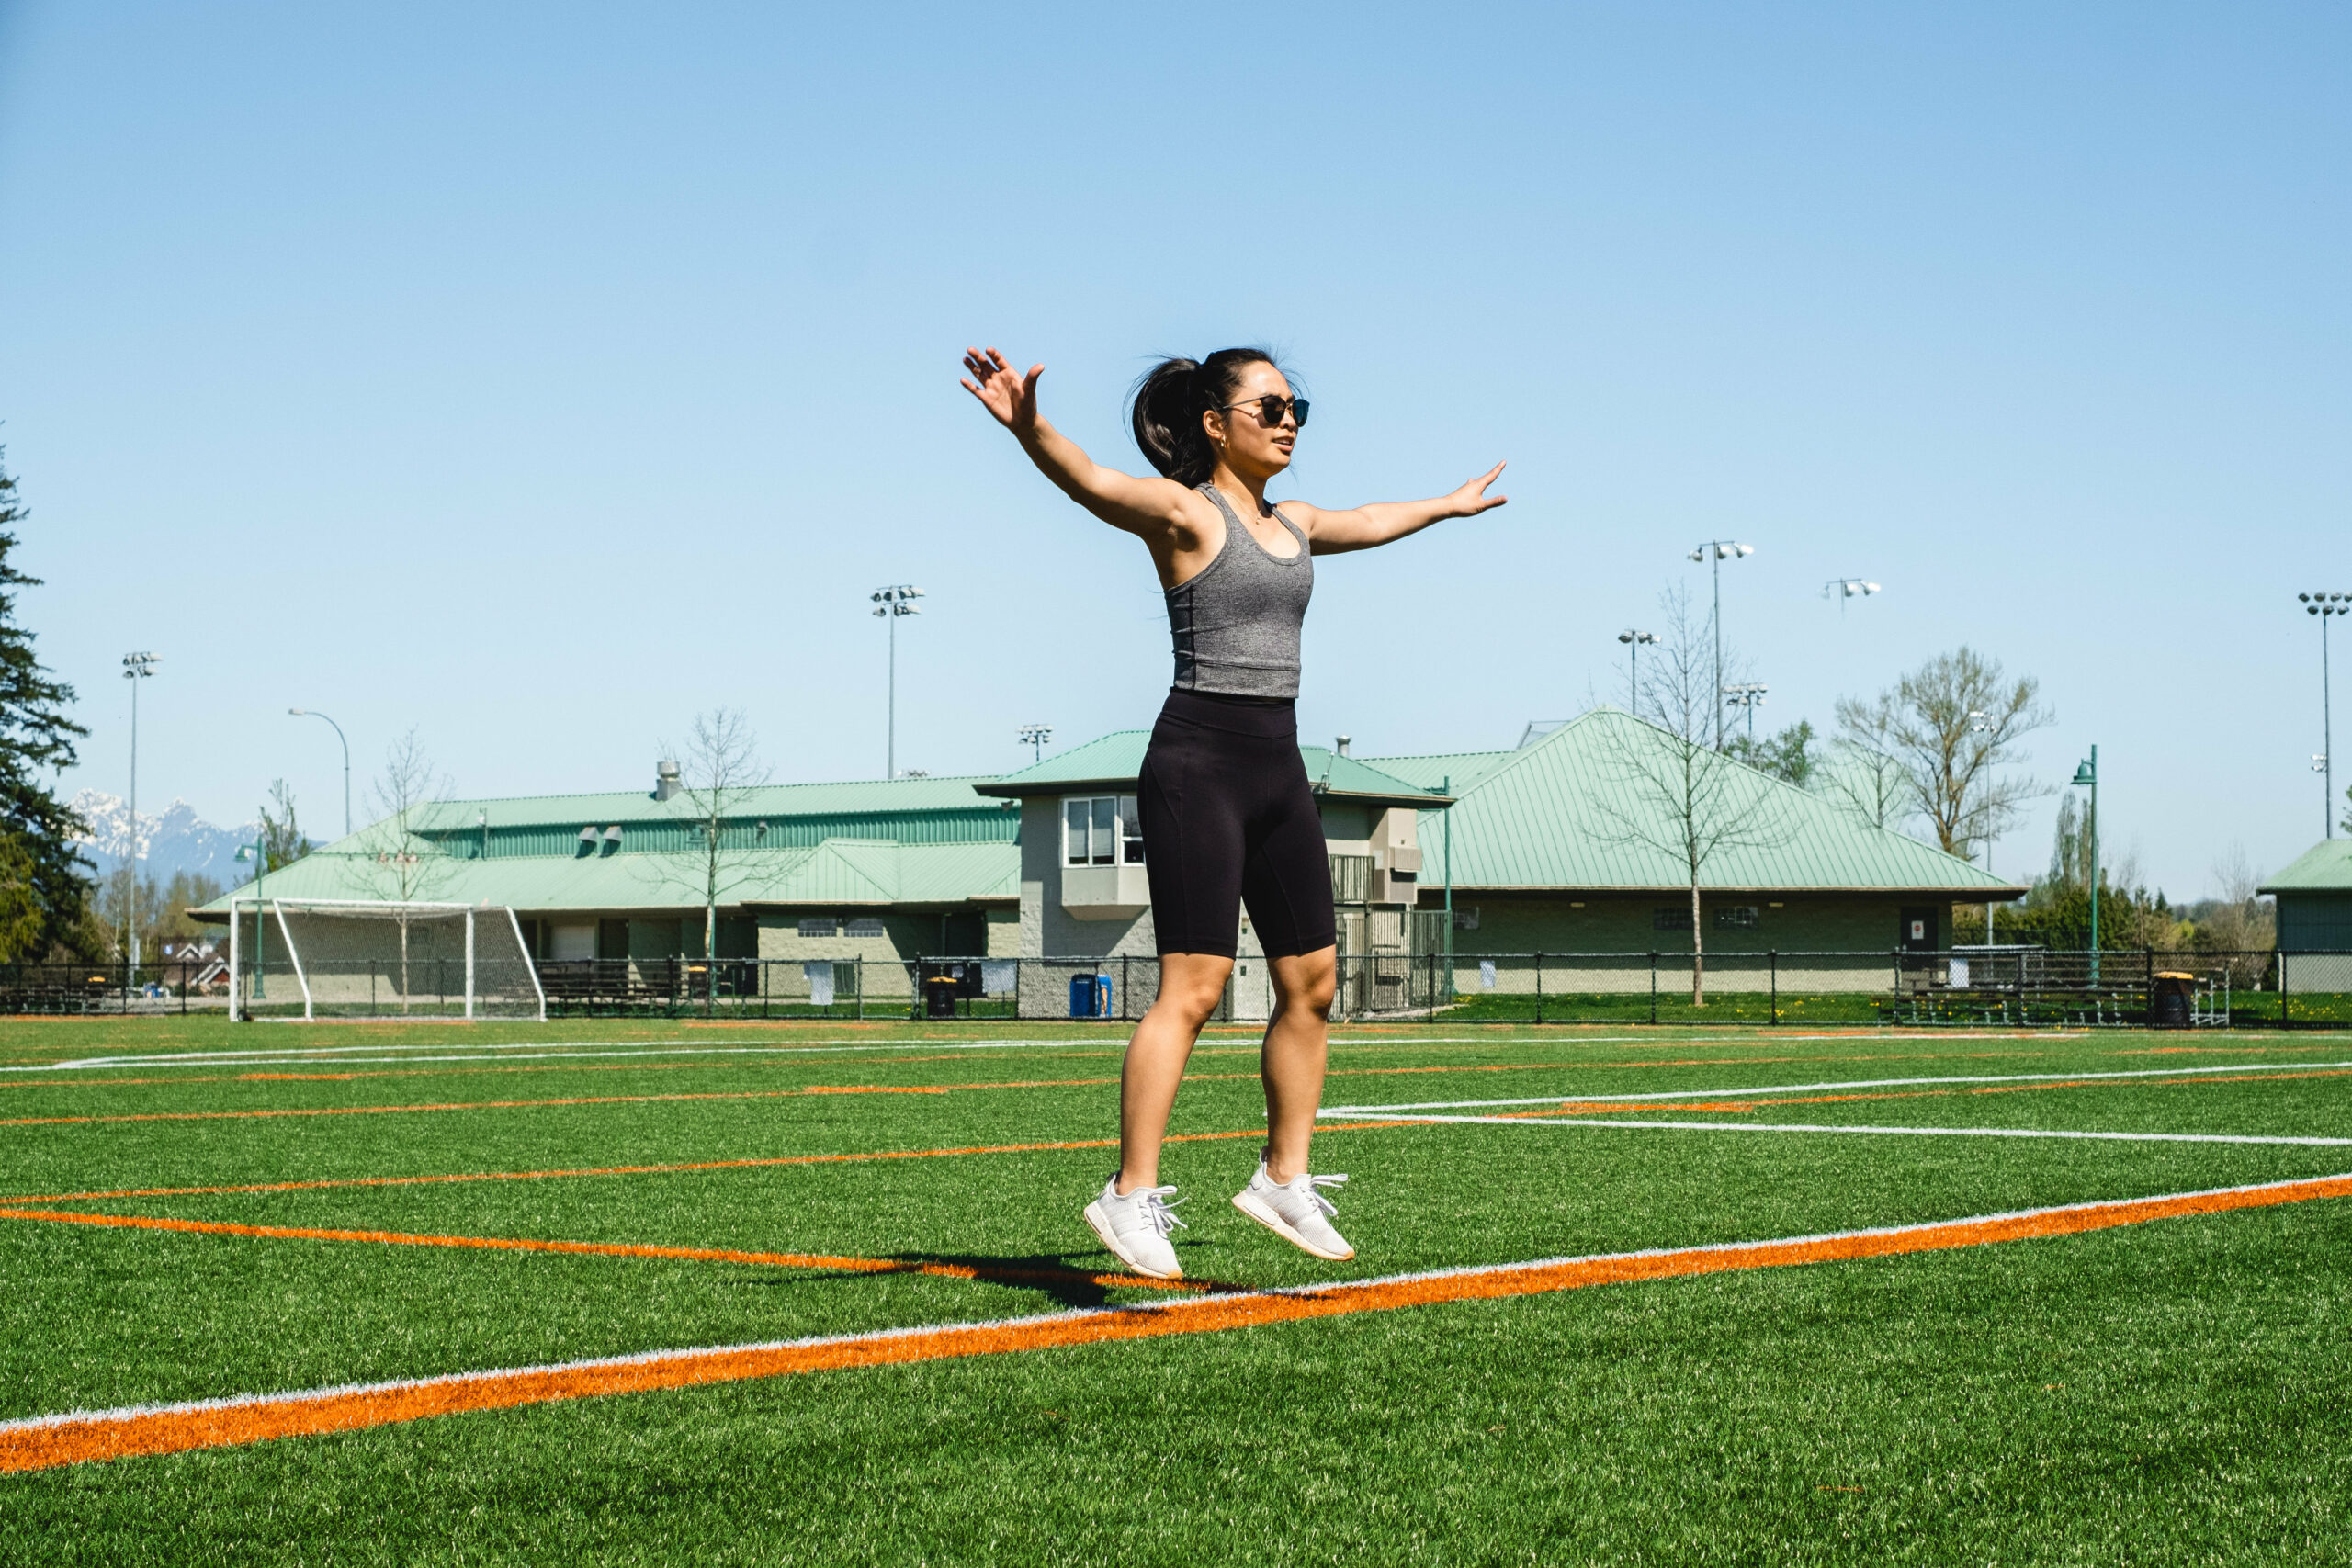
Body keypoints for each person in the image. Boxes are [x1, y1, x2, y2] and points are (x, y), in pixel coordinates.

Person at [960, 344, 1506, 1279]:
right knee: (1196, 987)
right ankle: (1128, 1193)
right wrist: (1028, 428)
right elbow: (1090, 482)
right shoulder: (1186, 514)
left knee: (1314, 983)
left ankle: (1281, 1177)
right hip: (1198, 763)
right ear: (1216, 424)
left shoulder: (1289, 521)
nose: (1289, 418)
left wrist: (1444, 507)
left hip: (1278, 766)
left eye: (1299, 405)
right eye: (1271, 405)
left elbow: (1367, 519)